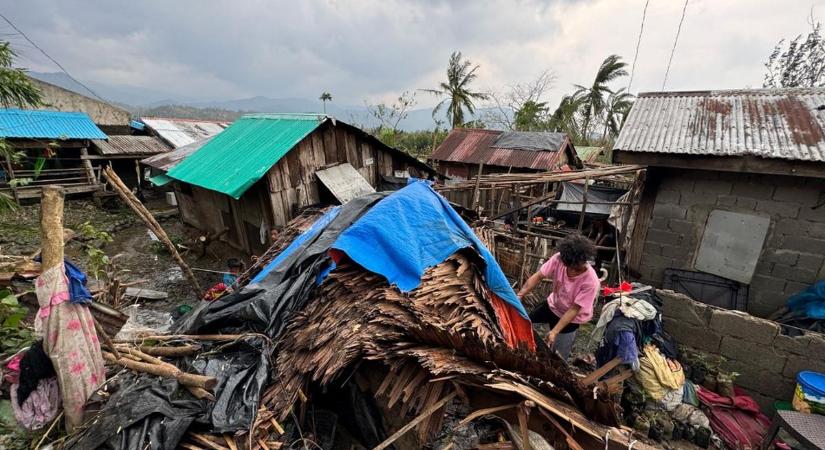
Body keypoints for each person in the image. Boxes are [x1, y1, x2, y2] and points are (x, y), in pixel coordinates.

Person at [516, 234, 599, 360]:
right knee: (523, 322)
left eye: (575, 268)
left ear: (583, 261)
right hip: (552, 305)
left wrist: (554, 331)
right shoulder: (559, 259)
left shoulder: (591, 282)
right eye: (568, 266)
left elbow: (574, 309)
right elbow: (539, 276)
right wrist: (520, 295)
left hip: (570, 318)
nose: (570, 270)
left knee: (558, 357)